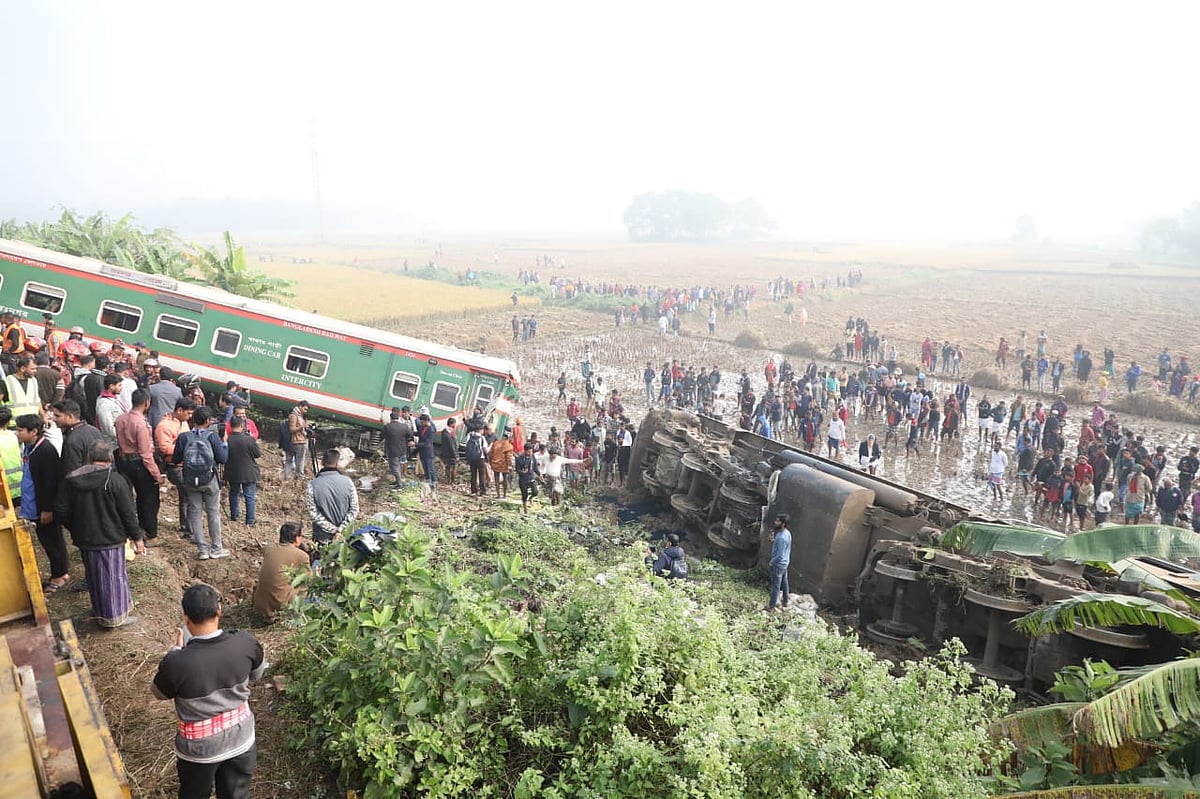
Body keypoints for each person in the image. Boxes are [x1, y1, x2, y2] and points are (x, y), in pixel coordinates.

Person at [152, 583, 265, 799]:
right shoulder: (246, 642)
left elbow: (158, 693)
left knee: (194, 794)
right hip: (241, 739)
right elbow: (256, 675)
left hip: (199, 751)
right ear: (219, 611)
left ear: (186, 619)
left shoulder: (176, 663)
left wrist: (174, 652)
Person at [55, 440, 144, 629]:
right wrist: (137, 537)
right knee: (113, 579)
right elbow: (128, 513)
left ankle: (99, 611)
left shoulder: (70, 480)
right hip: (110, 538)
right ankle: (113, 618)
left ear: (88, 458)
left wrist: (75, 526)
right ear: (110, 458)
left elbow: (61, 509)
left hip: (86, 538)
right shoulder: (115, 481)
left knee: (95, 577)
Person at [15, 414, 69, 592]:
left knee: (53, 541)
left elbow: (50, 484)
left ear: (34, 431)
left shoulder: (45, 451)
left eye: (20, 430)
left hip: (44, 509)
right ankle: (58, 572)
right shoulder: (30, 448)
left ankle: (60, 575)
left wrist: (47, 509)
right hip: (35, 506)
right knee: (47, 540)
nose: (17, 433)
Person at [173, 406, 230, 560]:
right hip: (210, 480)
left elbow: (175, 459)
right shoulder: (212, 437)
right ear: (207, 421)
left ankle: (202, 550)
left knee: (195, 513)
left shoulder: (184, 437)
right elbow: (222, 459)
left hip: (191, 481)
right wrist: (224, 444)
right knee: (213, 513)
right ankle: (216, 548)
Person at [115, 388, 165, 542]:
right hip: (140, 464)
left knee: (127, 498)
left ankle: (130, 529)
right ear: (147, 403)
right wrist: (157, 475)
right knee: (149, 499)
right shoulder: (141, 424)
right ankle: (149, 532)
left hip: (123, 462)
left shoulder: (120, 419)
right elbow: (146, 454)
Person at [252, 524, 310, 621]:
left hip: (259, 604)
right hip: (279, 606)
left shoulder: (268, 548)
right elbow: (308, 580)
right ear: (296, 538)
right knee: (308, 586)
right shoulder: (301, 556)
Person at [156, 398, 195, 535]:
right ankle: (190, 529)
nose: (190, 417)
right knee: (189, 496)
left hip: (185, 464)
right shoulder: (165, 425)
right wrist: (184, 448)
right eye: (188, 414)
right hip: (174, 465)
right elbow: (165, 448)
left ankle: (185, 526)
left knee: (185, 496)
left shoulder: (183, 423)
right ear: (179, 410)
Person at [306, 449, 359, 543]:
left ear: (322, 462)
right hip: (345, 537)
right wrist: (340, 529)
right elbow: (354, 509)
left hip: (322, 538)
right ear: (337, 463)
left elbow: (313, 513)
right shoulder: (348, 482)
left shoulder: (312, 485)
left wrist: (333, 530)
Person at [225, 416, 261, 526]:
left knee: (233, 493)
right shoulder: (249, 439)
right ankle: (250, 521)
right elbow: (257, 454)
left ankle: (234, 516)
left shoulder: (227, 440)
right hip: (248, 472)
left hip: (232, 471)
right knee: (249, 496)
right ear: (242, 426)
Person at [766, 514, 792, 611]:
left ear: (783, 524)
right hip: (785, 563)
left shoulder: (781, 537)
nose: (775, 523)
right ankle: (785, 601)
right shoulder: (786, 533)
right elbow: (782, 548)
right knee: (784, 582)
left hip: (778, 565)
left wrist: (772, 562)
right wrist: (773, 540)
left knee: (775, 586)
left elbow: (780, 555)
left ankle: (771, 606)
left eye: (777, 521)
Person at [382, 406, 413, 487]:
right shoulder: (404, 426)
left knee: (394, 467)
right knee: (399, 465)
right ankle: (397, 481)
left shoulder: (387, 427)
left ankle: (399, 484)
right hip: (402, 450)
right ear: (398, 417)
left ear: (391, 418)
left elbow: (383, 436)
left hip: (392, 450)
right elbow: (410, 434)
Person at [284, 400, 311, 480]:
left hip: (302, 440)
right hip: (298, 441)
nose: (305, 411)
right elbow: (292, 429)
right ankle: (299, 476)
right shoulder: (294, 415)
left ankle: (296, 476)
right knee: (300, 461)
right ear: (300, 406)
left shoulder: (299, 415)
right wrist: (302, 426)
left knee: (300, 460)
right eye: (305, 409)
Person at [514, 443, 540, 513]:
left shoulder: (533, 457)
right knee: (524, 494)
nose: (530, 453)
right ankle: (525, 509)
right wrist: (522, 472)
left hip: (531, 477)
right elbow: (517, 469)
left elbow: (535, 467)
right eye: (528, 451)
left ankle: (531, 498)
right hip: (523, 479)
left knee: (535, 492)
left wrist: (540, 475)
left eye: (531, 451)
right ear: (525, 451)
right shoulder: (520, 458)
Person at [488, 430, 515, 499]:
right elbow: (509, 457)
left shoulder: (496, 443)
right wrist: (510, 466)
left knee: (496, 479)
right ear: (509, 438)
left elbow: (490, 454)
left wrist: (490, 462)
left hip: (495, 464)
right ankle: (504, 495)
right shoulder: (509, 446)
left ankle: (498, 495)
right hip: (504, 465)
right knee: (505, 479)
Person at [414, 414, 437, 487]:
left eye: (422, 422)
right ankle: (428, 479)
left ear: (426, 421)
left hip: (428, 451)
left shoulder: (431, 430)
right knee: (425, 466)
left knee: (430, 467)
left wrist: (416, 444)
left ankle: (434, 481)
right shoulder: (422, 427)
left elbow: (427, 443)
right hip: (422, 451)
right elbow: (419, 434)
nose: (421, 423)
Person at [440, 417, 460, 486]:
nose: (455, 425)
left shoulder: (444, 431)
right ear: (452, 424)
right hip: (451, 453)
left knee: (447, 467)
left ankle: (448, 480)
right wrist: (456, 455)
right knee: (454, 467)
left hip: (446, 453)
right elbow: (452, 445)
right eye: (455, 423)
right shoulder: (450, 433)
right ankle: (451, 481)